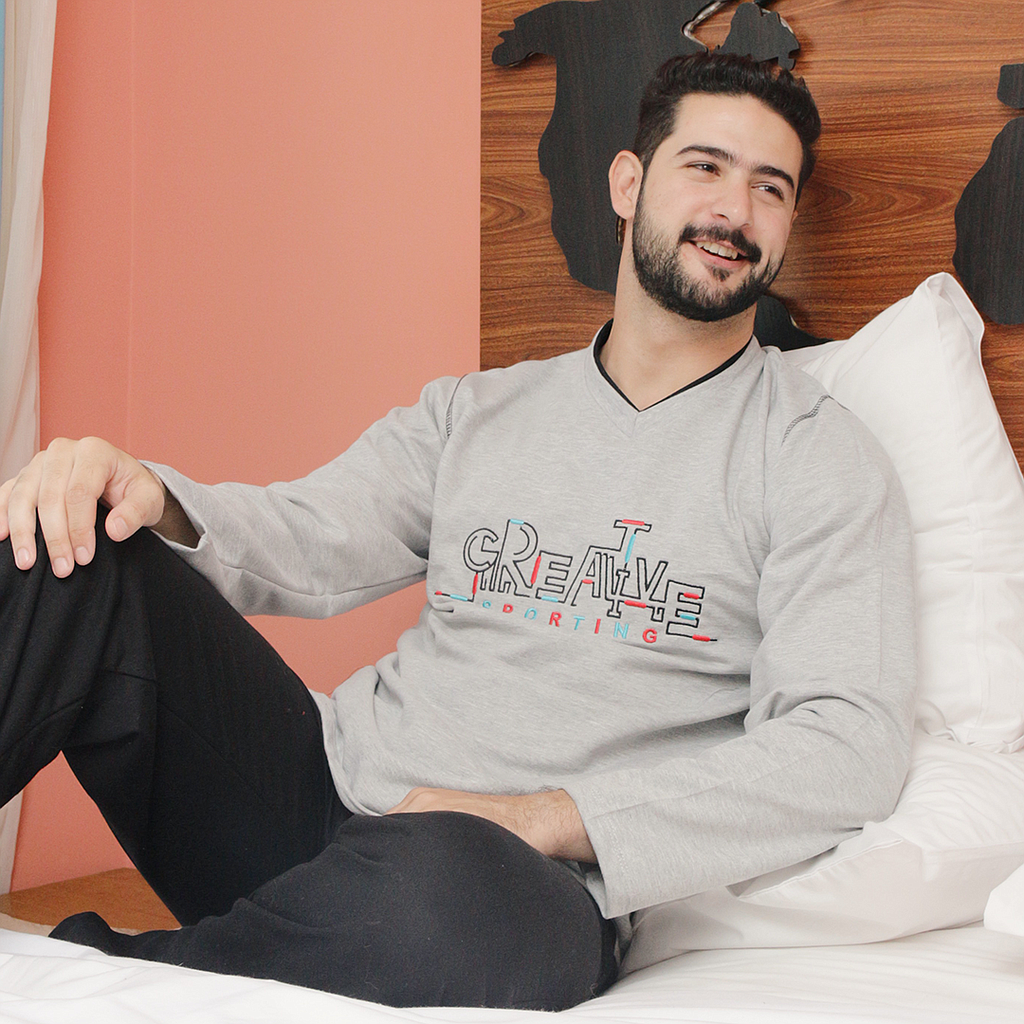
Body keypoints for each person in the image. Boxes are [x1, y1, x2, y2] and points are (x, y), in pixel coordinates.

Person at [0, 52, 916, 1010]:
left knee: (456, 908)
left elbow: (847, 744)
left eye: (771, 187)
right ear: (627, 183)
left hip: (509, 881)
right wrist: (149, 492)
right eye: (705, 166)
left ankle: (97, 979)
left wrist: (542, 819)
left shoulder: (815, 457)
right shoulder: (477, 412)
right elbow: (310, 535)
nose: (734, 210)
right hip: (316, 796)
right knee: (73, 548)